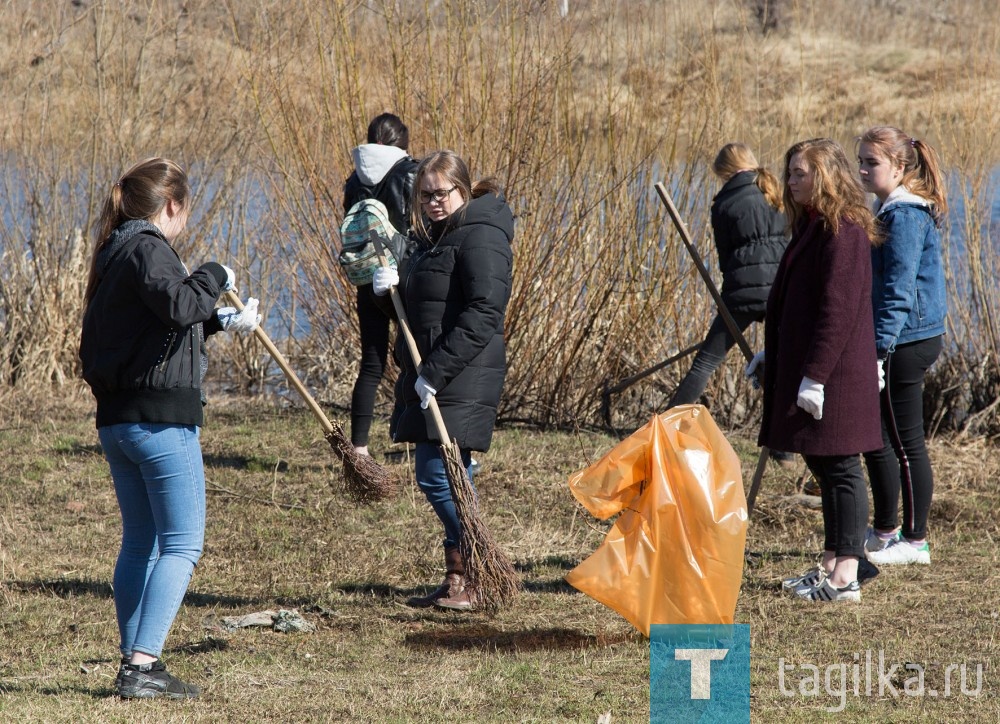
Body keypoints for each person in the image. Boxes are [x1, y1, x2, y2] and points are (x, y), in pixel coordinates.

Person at [79, 157, 260, 698]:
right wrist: (215, 275)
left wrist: (223, 320)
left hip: (119, 422)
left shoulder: (115, 252)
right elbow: (181, 302)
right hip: (159, 422)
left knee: (141, 542)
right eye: (187, 208)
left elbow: (158, 322)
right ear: (172, 205)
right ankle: (141, 665)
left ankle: (132, 663)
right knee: (182, 544)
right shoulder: (148, 247)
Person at [371, 150, 514, 611]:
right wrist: (385, 291)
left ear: (463, 190)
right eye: (425, 195)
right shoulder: (433, 237)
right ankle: (461, 578)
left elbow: (485, 311)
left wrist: (433, 372)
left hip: (462, 373)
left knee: (436, 476)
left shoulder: (481, 234)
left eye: (441, 193)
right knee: (454, 475)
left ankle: (482, 564)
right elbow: (417, 311)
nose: (433, 202)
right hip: (435, 371)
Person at [749, 138, 883, 602]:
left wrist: (817, 376)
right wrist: (775, 353)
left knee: (841, 466)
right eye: (789, 172)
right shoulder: (813, 225)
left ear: (824, 174)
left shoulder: (844, 229)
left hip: (839, 374)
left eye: (799, 173)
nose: (789, 181)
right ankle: (833, 561)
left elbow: (838, 310)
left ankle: (847, 574)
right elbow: (799, 302)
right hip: (814, 366)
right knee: (823, 465)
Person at [668, 143, 796, 468]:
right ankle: (784, 451)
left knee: (705, 363)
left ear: (724, 171)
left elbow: (726, 259)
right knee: (784, 367)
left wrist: (732, 293)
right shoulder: (777, 191)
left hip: (740, 294)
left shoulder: (724, 202)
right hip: (781, 291)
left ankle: (667, 428)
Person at [857, 127, 948, 566]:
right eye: (860, 161)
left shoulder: (906, 215)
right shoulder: (888, 209)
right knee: (879, 438)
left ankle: (915, 542)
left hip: (907, 340)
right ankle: (885, 529)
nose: (861, 170)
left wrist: (878, 350)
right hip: (900, 337)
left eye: (871, 163)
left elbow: (898, 291)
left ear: (898, 166)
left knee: (906, 441)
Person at [343, 113, 419, 457]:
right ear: (401, 141)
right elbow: (416, 229)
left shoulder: (353, 179)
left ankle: (358, 448)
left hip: (368, 277)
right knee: (420, 358)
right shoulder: (410, 173)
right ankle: (424, 439)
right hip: (404, 277)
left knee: (371, 363)